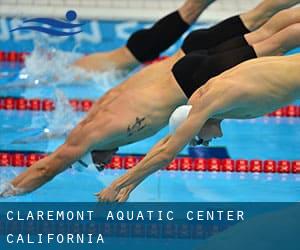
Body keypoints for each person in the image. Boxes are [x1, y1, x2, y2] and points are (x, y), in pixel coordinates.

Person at [1, 0, 300, 198]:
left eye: (94, 162)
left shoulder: (95, 133)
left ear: (89, 150)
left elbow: (46, 167)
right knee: (270, 28)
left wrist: (8, 190)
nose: (104, 165)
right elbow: (67, 139)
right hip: (187, 55)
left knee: (276, 38)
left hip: (192, 78)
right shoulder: (100, 108)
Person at [97, 53, 300, 202]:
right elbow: (169, 141)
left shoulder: (212, 100)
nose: (207, 143)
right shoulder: (200, 101)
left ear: (197, 124)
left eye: (200, 140)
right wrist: (131, 186)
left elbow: (167, 154)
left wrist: (116, 184)